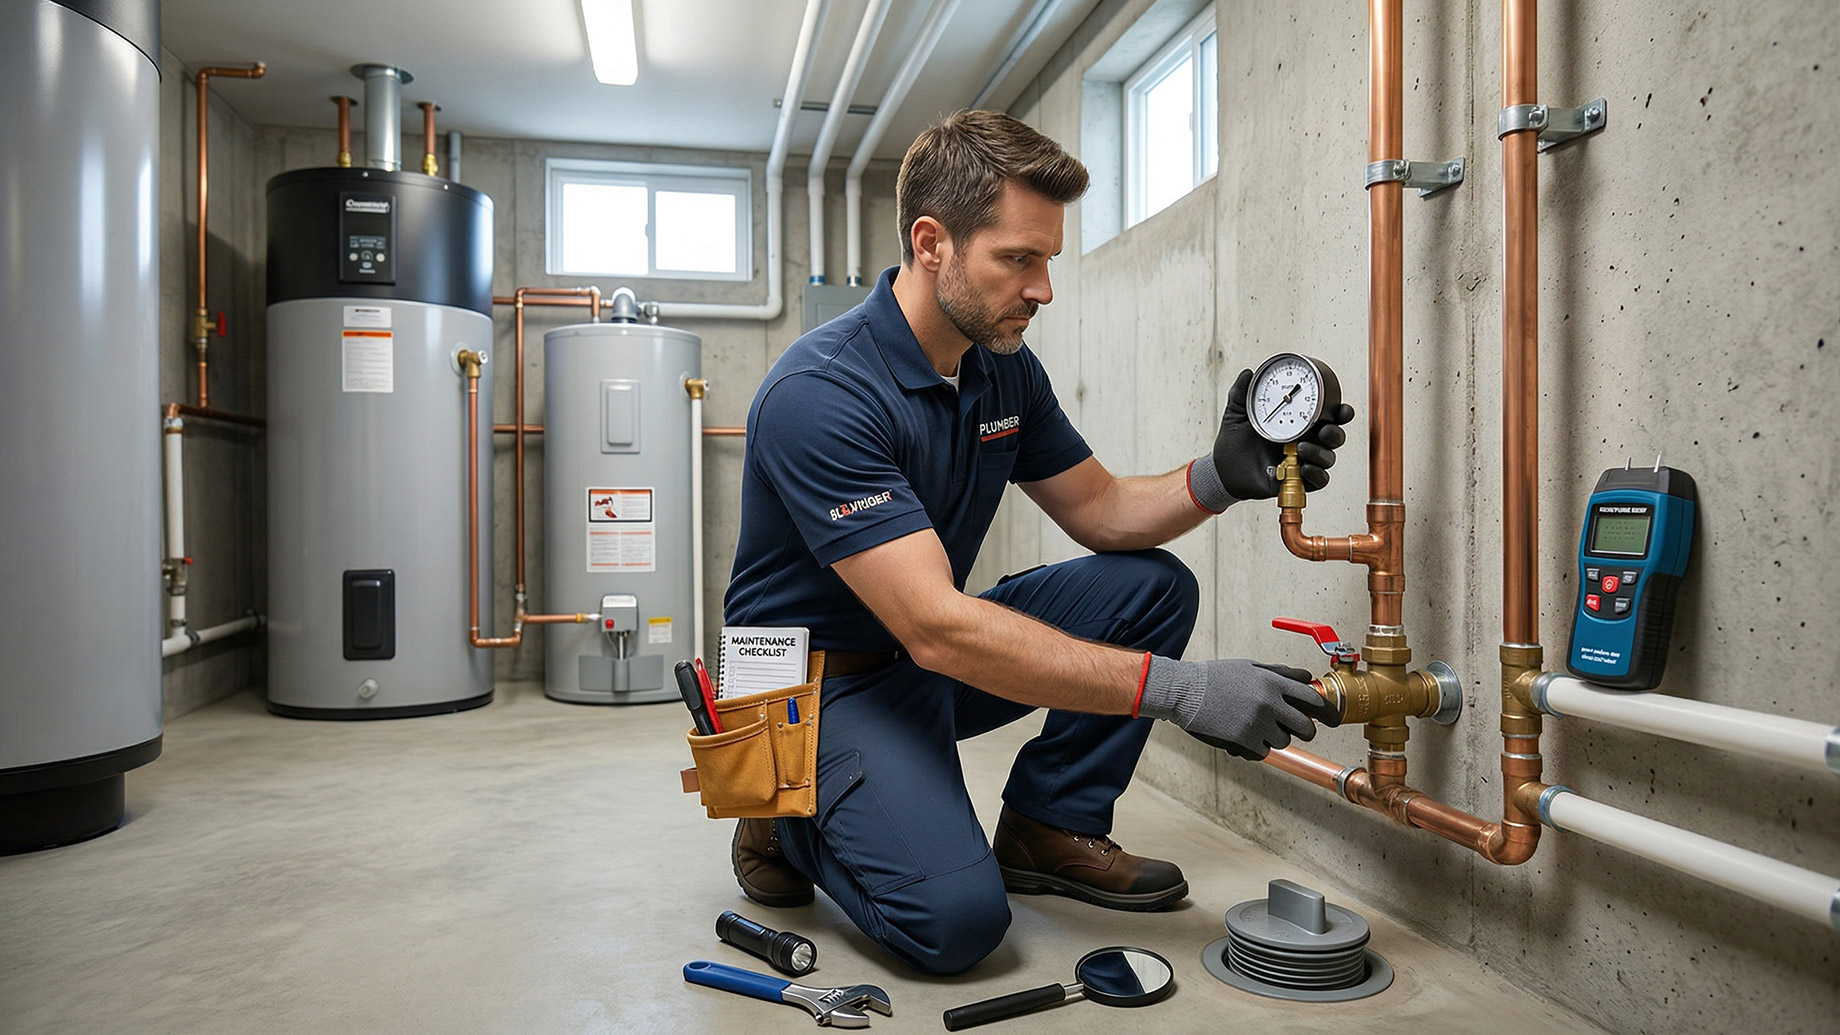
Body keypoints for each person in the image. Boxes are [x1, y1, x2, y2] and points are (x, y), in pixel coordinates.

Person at [721, 110, 1352, 976]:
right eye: (1019, 259)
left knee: (1150, 587)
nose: (1044, 287)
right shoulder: (821, 393)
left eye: (1048, 258)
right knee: (957, 924)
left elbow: (1099, 511)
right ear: (932, 241)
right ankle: (779, 812)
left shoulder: (1000, 362)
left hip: (919, 653)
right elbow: (940, 627)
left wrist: (1221, 474)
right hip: (811, 690)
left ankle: (1049, 824)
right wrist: (1181, 689)